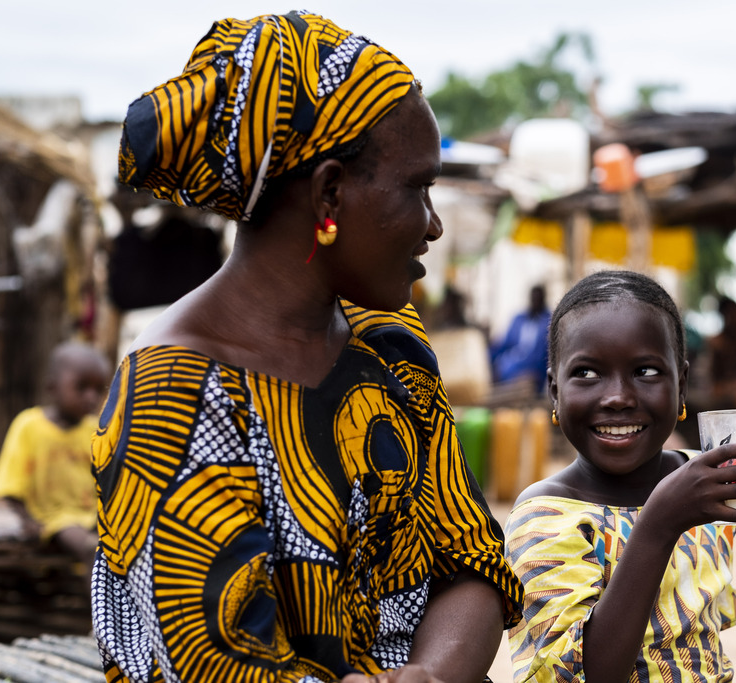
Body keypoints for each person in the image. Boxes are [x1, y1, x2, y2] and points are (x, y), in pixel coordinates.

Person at [92, 12, 522, 683]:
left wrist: (432, 673)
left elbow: (470, 558)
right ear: (329, 192)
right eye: (418, 187)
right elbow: (214, 662)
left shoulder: (392, 348)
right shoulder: (174, 397)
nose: (434, 224)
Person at [504, 270, 736, 683]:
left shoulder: (698, 479)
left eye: (646, 372)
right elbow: (586, 674)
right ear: (554, 392)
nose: (618, 397)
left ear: (681, 385)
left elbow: (699, 640)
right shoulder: (543, 519)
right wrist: (659, 523)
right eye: (588, 374)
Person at [0, 341, 111, 569]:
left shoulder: (96, 430)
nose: (91, 397)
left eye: (98, 389)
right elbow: (10, 485)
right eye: (82, 387)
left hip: (93, 515)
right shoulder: (29, 426)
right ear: (52, 386)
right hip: (56, 518)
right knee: (91, 550)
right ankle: (98, 605)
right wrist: (29, 521)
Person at [491, 284, 551, 394]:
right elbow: (504, 344)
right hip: (510, 364)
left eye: (538, 298)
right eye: (533, 298)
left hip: (533, 369)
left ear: (543, 299)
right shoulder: (518, 319)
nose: (535, 301)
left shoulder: (548, 321)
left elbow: (546, 354)